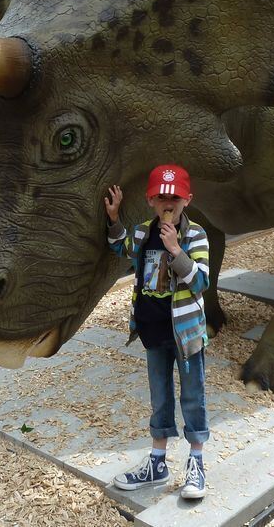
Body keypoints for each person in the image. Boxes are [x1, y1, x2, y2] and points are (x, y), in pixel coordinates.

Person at [104, 164, 210, 500]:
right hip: (153, 329)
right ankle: (158, 461)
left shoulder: (196, 236)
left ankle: (196, 462)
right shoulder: (141, 233)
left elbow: (200, 281)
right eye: (162, 196)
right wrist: (114, 217)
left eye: (175, 196)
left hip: (186, 332)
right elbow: (122, 248)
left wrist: (177, 250)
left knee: (192, 396)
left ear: (186, 200)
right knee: (159, 396)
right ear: (151, 200)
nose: (168, 201)